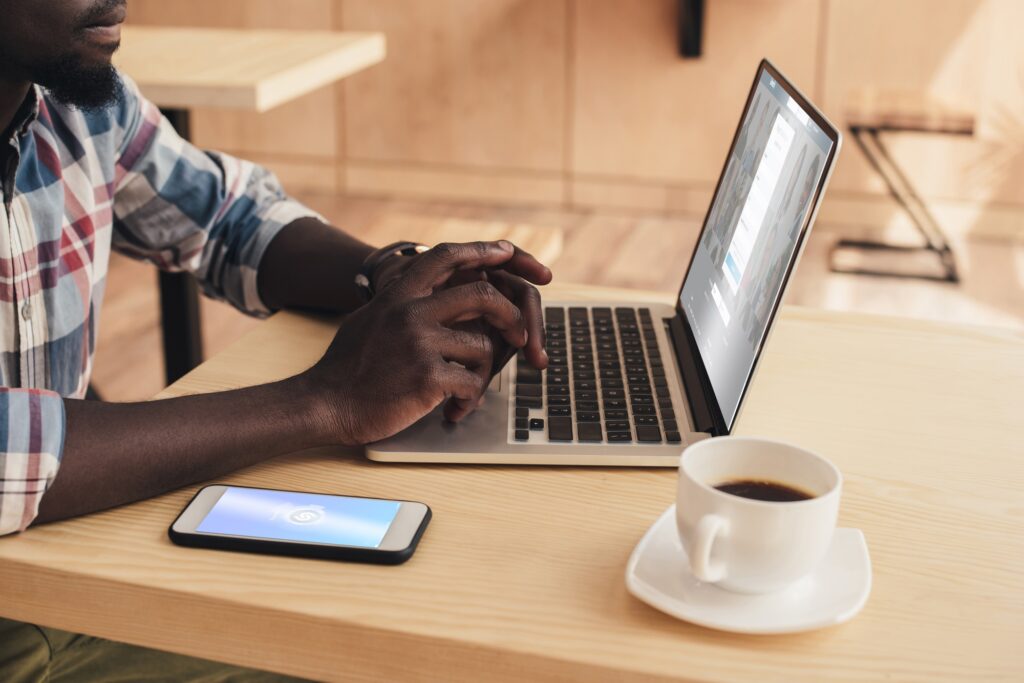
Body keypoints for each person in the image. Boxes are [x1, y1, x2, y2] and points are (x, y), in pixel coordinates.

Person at [0, 1, 551, 679]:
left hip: (55, 562)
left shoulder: (75, 100)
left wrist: (394, 276)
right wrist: (326, 399)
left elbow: (229, 217)